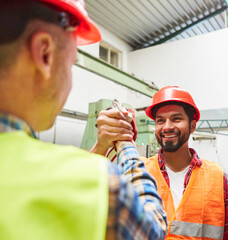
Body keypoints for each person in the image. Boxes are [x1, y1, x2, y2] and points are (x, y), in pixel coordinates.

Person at [0, 1, 166, 240]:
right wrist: (126, 143)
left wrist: (101, 147)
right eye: (72, 62)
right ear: (44, 54)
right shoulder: (100, 184)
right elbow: (153, 227)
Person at [96, 86, 228, 239]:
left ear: (192, 126)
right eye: (160, 121)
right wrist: (102, 144)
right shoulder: (138, 172)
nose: (167, 127)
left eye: (176, 119)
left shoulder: (216, 176)